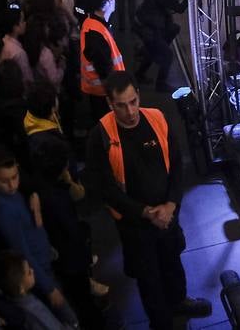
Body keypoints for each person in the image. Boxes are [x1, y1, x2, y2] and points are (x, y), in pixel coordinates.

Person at [84, 71, 211, 328]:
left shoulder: (157, 118)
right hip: (135, 225)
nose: (130, 111)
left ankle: (178, 301)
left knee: (173, 262)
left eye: (133, 101)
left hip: (167, 215)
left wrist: (170, 205)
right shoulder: (101, 137)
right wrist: (145, 213)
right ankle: (160, 322)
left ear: (138, 95)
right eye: (121, 105)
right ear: (110, 104)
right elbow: (105, 189)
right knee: (148, 278)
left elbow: (176, 165)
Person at [0, 147, 77, 326]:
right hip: (39, 275)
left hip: (43, 267)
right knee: (67, 319)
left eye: (14, 177)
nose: (12, 185)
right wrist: (49, 288)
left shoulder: (15, 194)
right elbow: (22, 251)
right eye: (4, 181)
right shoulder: (3, 211)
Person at [134, 0, 186, 92]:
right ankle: (160, 84)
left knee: (153, 50)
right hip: (150, 30)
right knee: (167, 56)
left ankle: (139, 74)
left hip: (147, 27)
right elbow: (178, 8)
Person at [78, 0, 125, 119]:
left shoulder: (91, 23)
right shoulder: (96, 34)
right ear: (107, 2)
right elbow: (105, 71)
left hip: (100, 92)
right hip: (104, 95)